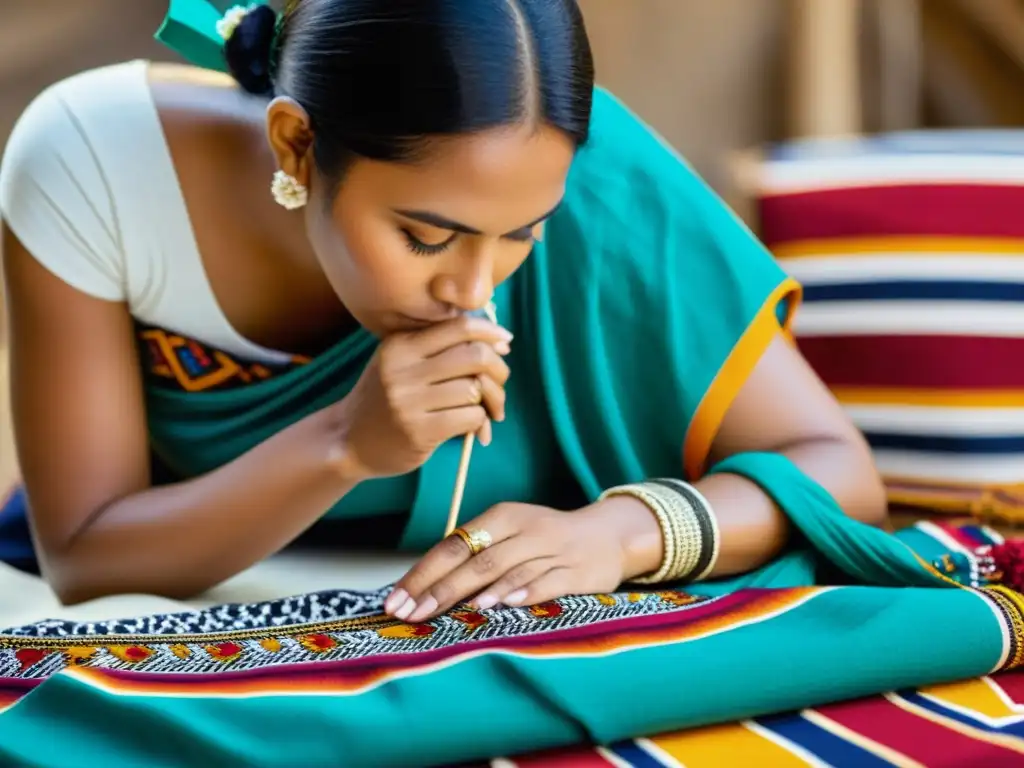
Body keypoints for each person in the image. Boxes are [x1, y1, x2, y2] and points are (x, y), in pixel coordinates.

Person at [0, 0, 886, 618]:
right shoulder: (93, 164)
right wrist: (343, 443)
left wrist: (620, 535)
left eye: (522, 236)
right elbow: (85, 556)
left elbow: (839, 472)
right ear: (297, 144)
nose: (474, 292)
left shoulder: (600, 187)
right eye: (426, 237)